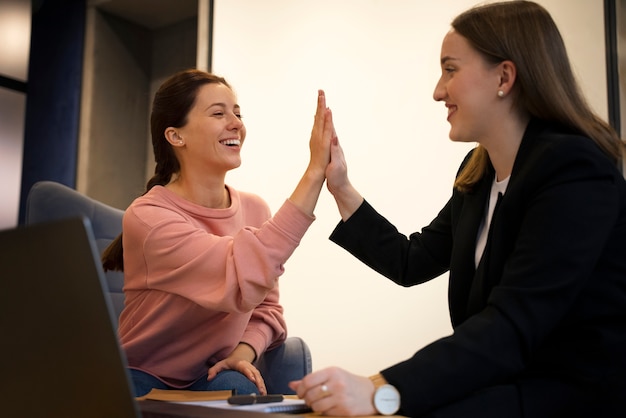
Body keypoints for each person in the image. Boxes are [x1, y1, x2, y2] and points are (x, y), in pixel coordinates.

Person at [289, 1, 626, 417]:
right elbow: (411, 261)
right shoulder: (478, 172)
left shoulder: (575, 172)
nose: (437, 90)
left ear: (504, 76)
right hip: (505, 391)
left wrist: (382, 391)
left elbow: (511, 326)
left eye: (450, 69)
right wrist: (339, 186)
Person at [101, 69, 334, 397]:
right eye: (219, 113)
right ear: (175, 136)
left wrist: (242, 353)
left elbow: (266, 309)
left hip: (210, 373)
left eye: (237, 113)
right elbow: (241, 271)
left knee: (239, 386)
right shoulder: (149, 216)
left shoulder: (254, 210)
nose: (236, 123)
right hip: (144, 376)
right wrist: (314, 174)